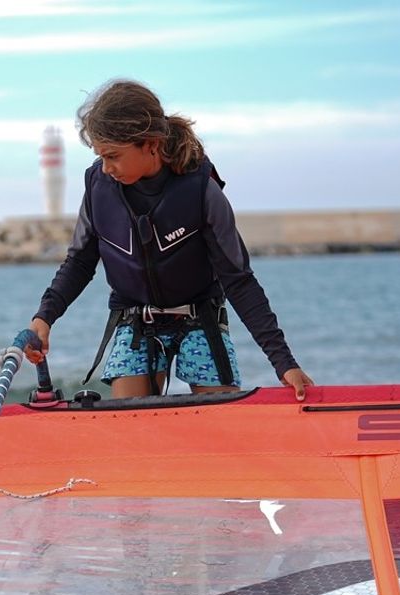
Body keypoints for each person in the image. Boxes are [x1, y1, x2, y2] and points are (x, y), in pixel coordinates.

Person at [25, 80, 313, 400]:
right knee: (129, 423)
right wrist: (45, 315)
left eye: (113, 156)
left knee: (220, 425)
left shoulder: (201, 190)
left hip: (199, 316)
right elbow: (79, 261)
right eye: (100, 156)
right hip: (134, 319)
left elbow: (239, 280)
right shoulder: (97, 186)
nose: (105, 168)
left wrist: (284, 363)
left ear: (150, 144)